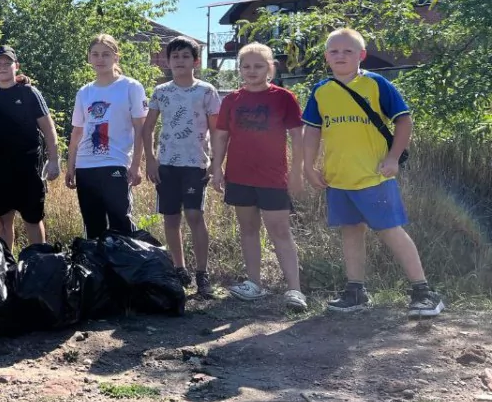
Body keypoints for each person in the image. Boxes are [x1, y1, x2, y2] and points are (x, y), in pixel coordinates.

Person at [303, 28, 444, 317]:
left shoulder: (376, 84)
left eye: (348, 51)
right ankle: (356, 291)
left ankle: (424, 291)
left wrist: (393, 158)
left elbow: (404, 121)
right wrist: (308, 164)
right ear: (326, 56)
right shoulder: (321, 90)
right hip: (338, 178)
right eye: (334, 51)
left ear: (361, 55)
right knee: (351, 232)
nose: (340, 56)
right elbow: (312, 130)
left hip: (374, 175)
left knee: (390, 231)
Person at [210, 43, 307, 312]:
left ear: (270, 68)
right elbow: (221, 136)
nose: (252, 71)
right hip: (239, 176)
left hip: (273, 177)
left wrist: (297, 171)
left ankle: (295, 290)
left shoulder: (283, 97)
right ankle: (254, 283)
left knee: (280, 231)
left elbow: (297, 137)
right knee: (248, 229)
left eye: (258, 66)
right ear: (239, 69)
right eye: (246, 66)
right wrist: (216, 168)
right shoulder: (231, 100)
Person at [142, 36, 221, 299]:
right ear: (167, 61)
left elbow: (217, 129)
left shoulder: (206, 91)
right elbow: (148, 127)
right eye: (175, 56)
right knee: (171, 218)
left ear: (195, 61)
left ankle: (202, 273)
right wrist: (150, 160)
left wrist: (217, 163)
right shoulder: (161, 91)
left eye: (185, 56)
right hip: (167, 164)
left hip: (195, 164)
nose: (180, 61)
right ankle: (179, 269)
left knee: (195, 216)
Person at [0, 46, 61, 249]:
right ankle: (6, 266)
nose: (3, 67)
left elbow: (48, 127)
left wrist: (54, 160)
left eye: (7, 63)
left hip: (28, 166)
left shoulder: (29, 92)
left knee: (33, 218)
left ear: (16, 66)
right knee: (2, 219)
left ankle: (39, 264)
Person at [64, 35, 145, 244]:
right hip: (86, 165)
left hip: (115, 163)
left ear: (116, 57)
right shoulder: (84, 92)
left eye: (106, 54)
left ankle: (126, 274)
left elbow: (141, 129)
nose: (100, 59)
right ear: (89, 58)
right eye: (95, 54)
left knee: (121, 224)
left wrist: (136, 164)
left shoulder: (130, 87)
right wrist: (70, 166)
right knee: (93, 226)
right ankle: (98, 274)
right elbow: (77, 132)